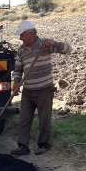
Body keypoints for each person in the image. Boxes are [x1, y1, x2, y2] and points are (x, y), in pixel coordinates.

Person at [10, 20, 73, 156]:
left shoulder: (45, 44)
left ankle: (43, 144)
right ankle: (23, 146)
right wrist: (16, 83)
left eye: (21, 35)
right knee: (25, 118)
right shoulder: (21, 50)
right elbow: (18, 69)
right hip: (28, 90)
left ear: (30, 34)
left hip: (44, 88)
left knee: (44, 118)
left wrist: (54, 43)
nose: (20, 38)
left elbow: (68, 49)